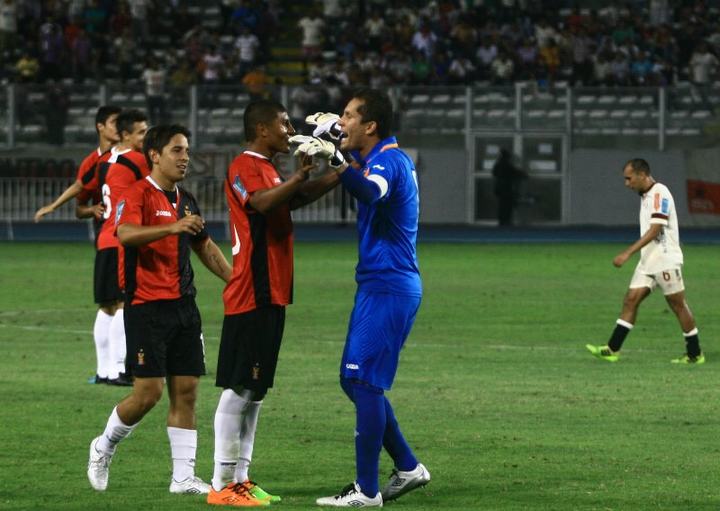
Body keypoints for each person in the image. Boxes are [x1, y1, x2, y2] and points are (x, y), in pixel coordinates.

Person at [295, 89, 430, 507]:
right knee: (352, 379)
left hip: (389, 285)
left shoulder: (390, 161)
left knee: (363, 381)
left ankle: (367, 490)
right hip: (380, 283)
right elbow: (352, 157)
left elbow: (371, 191)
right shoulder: (377, 154)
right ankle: (407, 466)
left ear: (370, 126)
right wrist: (333, 134)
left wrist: (336, 157)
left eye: (350, 116)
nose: (342, 121)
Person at [207, 99, 340, 507]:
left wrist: (340, 173)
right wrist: (298, 175)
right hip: (252, 290)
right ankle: (220, 483)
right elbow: (263, 203)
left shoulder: (267, 168)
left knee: (256, 389)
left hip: (273, 290)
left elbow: (292, 199)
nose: (291, 130)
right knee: (240, 387)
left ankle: (242, 479)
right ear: (262, 129)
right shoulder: (244, 165)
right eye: (284, 123)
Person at [87, 124, 233, 494]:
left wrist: (235, 281)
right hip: (146, 308)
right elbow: (125, 234)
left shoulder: (186, 200)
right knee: (148, 394)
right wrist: (171, 229)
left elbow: (204, 246)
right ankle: (103, 446)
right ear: (155, 155)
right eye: (177, 150)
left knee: (186, 392)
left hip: (184, 307)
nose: (185, 158)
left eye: (187, 151)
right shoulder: (136, 194)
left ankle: (183, 477)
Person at [33, 105, 123, 385]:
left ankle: (108, 371)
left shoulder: (124, 155)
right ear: (100, 127)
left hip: (119, 237)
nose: (119, 127)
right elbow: (80, 203)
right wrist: (87, 209)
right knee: (115, 302)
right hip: (110, 238)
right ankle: (114, 369)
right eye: (115, 122)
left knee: (112, 303)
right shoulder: (94, 162)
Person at [586, 158, 704, 364]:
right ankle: (612, 349)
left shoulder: (660, 193)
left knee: (678, 305)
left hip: (665, 260)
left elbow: (655, 230)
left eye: (629, 178)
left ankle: (695, 354)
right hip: (648, 261)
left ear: (642, 175)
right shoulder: (646, 195)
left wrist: (627, 253)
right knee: (631, 300)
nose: (627, 184)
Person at [95, 109, 151, 386]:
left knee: (107, 306)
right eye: (141, 132)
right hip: (120, 240)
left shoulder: (106, 160)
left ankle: (104, 371)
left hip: (104, 238)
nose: (145, 137)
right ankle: (119, 369)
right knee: (122, 304)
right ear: (126, 135)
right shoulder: (138, 159)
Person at [492, 149, 527, 227]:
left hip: (499, 188)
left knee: (502, 205)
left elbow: (494, 173)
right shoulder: (507, 165)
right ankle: (506, 221)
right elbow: (516, 173)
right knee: (507, 205)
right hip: (506, 189)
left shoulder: (498, 165)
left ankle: (502, 221)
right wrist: (523, 174)